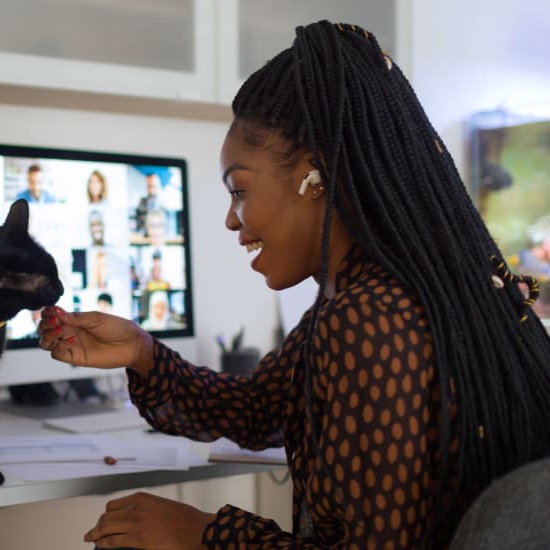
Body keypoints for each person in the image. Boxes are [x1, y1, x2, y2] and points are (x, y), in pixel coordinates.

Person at [38, 21, 550, 549]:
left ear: (315, 175)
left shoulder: (370, 317)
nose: (232, 221)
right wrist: (143, 352)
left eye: (239, 190)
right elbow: (259, 409)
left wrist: (205, 535)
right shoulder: (368, 296)